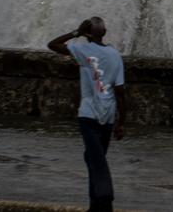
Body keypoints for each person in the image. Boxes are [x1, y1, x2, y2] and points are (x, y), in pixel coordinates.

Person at [48, 17, 127, 212]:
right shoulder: (115, 55)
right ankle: (95, 205)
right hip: (108, 115)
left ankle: (105, 199)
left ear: (87, 34)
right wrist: (121, 122)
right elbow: (121, 92)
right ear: (105, 32)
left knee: (96, 159)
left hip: (89, 114)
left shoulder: (82, 50)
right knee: (92, 157)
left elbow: (53, 45)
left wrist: (76, 32)